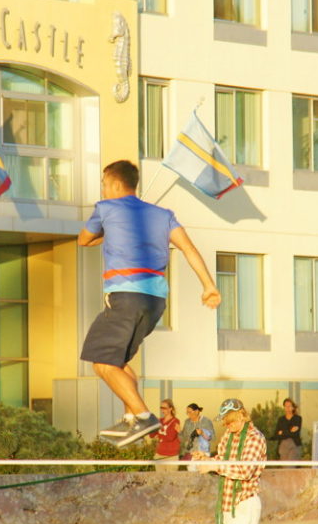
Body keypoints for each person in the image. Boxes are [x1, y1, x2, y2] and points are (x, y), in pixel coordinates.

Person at [79, 160, 221, 447]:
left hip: (125, 297)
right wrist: (209, 286)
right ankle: (132, 418)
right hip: (155, 300)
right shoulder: (164, 214)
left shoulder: (105, 208)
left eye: (104, 184)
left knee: (102, 363)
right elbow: (189, 249)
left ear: (115, 184)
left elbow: (83, 240)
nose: (103, 189)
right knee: (120, 363)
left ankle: (144, 416)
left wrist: (107, 233)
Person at [192, 398, 266, 524]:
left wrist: (215, 465)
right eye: (225, 421)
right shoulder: (227, 436)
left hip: (244, 501)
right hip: (225, 502)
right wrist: (207, 459)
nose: (227, 424)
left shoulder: (255, 438)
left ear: (241, 416)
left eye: (230, 420)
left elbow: (245, 471)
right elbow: (222, 460)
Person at [151, 399, 181, 470]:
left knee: (171, 479)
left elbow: (170, 437)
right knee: (159, 478)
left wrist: (159, 435)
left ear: (170, 408)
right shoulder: (159, 420)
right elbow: (152, 435)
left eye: (164, 408)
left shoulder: (175, 421)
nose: (162, 410)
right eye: (161, 408)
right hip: (159, 454)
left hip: (171, 455)